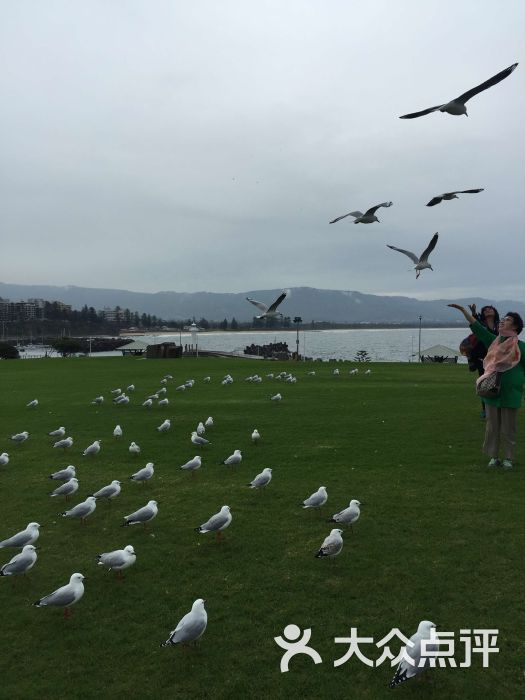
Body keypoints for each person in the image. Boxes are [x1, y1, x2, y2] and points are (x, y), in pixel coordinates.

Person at [448, 303, 525, 469]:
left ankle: (509, 458)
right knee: (492, 427)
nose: (503, 321)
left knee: (509, 428)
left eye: (508, 319)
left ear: (516, 326)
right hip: (491, 390)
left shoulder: (522, 347)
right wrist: (464, 311)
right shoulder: (494, 341)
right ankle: (494, 456)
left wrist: (519, 380)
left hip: (511, 391)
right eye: (503, 319)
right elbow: (477, 328)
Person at [465, 305, 500, 418]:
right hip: (482, 359)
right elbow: (475, 324)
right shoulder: (482, 324)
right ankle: (485, 410)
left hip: (497, 360)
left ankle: (498, 407)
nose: (488, 310)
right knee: (484, 385)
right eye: (485, 310)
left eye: (490, 309)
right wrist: (474, 313)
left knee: (498, 384)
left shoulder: (500, 325)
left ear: (495, 312)